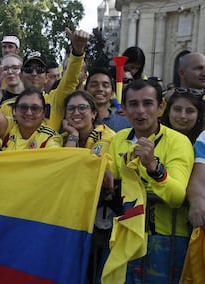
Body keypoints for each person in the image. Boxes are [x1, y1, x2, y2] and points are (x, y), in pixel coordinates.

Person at [106, 79, 194, 283]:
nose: (140, 111)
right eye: (133, 104)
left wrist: (155, 168)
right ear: (124, 109)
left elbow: (177, 197)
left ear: (161, 107)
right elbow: (112, 180)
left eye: (147, 103)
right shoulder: (119, 139)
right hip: (125, 236)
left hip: (164, 239)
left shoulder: (178, 142)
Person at [61, 90, 117, 282]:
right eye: (71, 109)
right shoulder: (62, 137)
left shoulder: (107, 135)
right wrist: (74, 135)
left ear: (94, 113)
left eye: (82, 107)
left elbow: (91, 168)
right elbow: (65, 166)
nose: (76, 112)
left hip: (98, 219)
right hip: (69, 217)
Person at [0, 75, 61, 150]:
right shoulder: (10, 126)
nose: (29, 113)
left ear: (44, 113)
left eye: (35, 108)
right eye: (23, 107)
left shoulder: (49, 138)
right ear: (15, 110)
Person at [85, 67, 131, 132]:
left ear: (112, 93)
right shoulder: (78, 122)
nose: (100, 89)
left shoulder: (126, 125)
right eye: (94, 85)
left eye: (105, 85)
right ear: (85, 91)